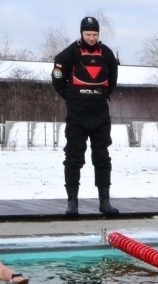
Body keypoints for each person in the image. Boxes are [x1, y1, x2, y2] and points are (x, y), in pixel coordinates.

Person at [52, 16, 119, 217]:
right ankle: (72, 202)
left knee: (102, 157)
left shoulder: (106, 53)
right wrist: (72, 98)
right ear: (81, 33)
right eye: (88, 34)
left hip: (100, 114)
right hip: (77, 115)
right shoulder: (70, 53)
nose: (91, 38)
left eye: (95, 34)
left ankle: (105, 202)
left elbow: (112, 81)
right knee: (73, 157)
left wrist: (100, 96)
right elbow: (58, 80)